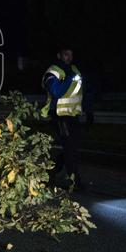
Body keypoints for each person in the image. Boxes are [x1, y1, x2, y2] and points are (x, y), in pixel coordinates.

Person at [41, 46, 84, 190]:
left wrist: (89, 111)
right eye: (66, 54)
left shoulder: (74, 69)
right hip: (60, 115)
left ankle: (50, 175)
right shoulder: (53, 72)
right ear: (59, 55)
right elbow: (56, 91)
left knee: (72, 149)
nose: (69, 57)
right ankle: (75, 182)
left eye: (71, 54)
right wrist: (69, 77)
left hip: (73, 115)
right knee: (70, 149)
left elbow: (80, 91)